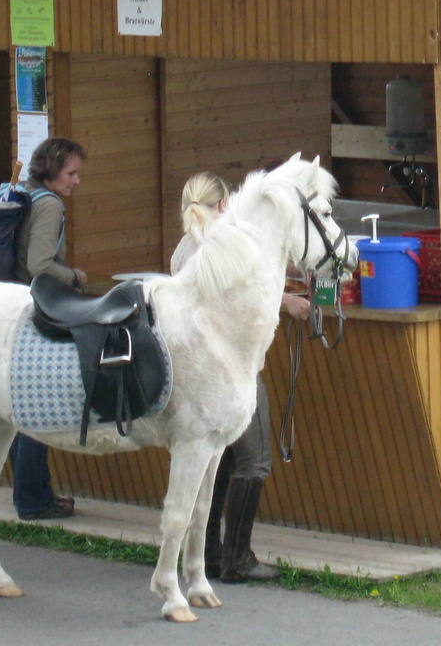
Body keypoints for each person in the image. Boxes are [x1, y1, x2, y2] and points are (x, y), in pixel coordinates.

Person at [170, 170, 311, 583]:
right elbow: (236, 295)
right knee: (255, 462)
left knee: (222, 461)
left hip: (197, 371)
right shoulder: (225, 245)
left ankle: (212, 554)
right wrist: (286, 301)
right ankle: (238, 558)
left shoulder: (184, 247)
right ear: (225, 204)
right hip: (230, 368)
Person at [9, 137, 89, 520]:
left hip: (8, 304)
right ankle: (33, 498)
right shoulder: (51, 205)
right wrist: (74, 275)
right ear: (53, 171)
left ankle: (33, 492)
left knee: (17, 406)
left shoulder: (25, 192)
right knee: (34, 407)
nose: (76, 182)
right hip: (33, 308)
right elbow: (40, 264)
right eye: (71, 173)